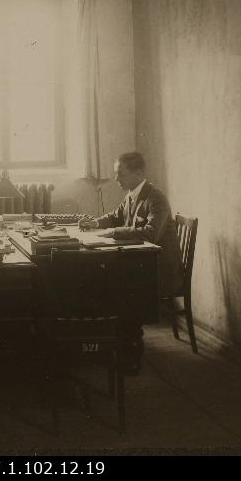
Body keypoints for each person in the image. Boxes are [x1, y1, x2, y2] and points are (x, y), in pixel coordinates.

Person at [79, 152, 182, 373]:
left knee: (124, 291)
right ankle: (116, 341)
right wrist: (95, 222)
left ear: (138, 173)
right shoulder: (132, 194)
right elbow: (116, 215)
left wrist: (113, 232)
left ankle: (131, 356)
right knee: (108, 282)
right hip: (140, 263)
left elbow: (151, 233)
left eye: (120, 174)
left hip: (159, 270)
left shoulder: (156, 198)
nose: (117, 180)